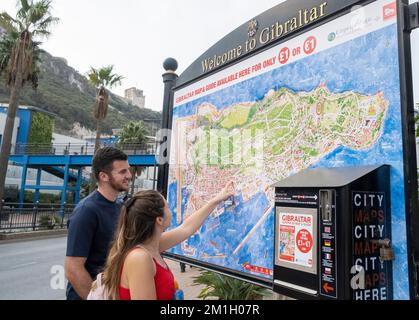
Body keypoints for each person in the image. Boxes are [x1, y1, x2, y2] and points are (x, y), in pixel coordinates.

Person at [100, 181, 235, 300]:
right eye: (168, 207)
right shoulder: (140, 258)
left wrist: (216, 200)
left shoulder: (151, 245)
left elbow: (186, 228)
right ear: (159, 220)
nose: (171, 210)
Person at [65, 147, 132, 300]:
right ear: (103, 176)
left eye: (128, 170)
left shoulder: (120, 206)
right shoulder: (86, 211)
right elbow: (73, 269)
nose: (129, 175)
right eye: (122, 172)